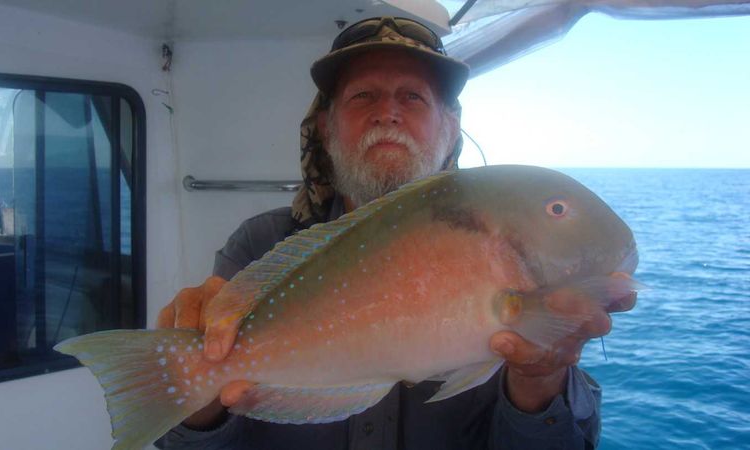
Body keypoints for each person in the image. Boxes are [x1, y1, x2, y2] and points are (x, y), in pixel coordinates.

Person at [156, 17, 635, 450]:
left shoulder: (535, 288)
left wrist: (539, 381)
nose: (387, 112)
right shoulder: (259, 244)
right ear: (325, 127)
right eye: (363, 96)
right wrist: (197, 395)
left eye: (413, 97)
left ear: (450, 128)